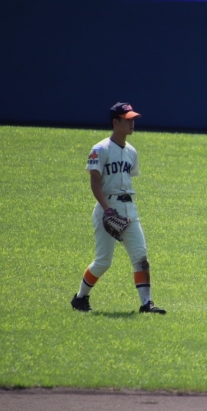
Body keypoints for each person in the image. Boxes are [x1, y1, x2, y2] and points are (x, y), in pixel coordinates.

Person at [71, 102, 166, 314]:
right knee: (103, 261)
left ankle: (146, 304)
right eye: (127, 119)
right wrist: (107, 210)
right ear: (115, 122)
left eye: (133, 119)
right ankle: (80, 298)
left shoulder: (132, 151)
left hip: (129, 209)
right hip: (107, 207)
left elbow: (128, 177)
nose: (132, 123)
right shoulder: (100, 149)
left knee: (141, 257)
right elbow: (95, 183)